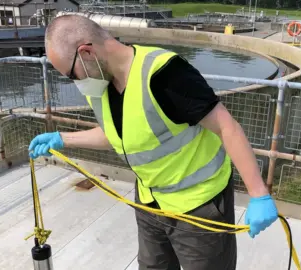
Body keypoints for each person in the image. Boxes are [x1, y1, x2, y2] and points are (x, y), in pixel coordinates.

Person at [28, 14, 278, 270]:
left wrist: (258, 194)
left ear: (86, 53)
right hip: (150, 203)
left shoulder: (164, 74)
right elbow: (118, 134)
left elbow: (226, 127)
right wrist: (62, 139)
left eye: (72, 74)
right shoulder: (100, 87)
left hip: (199, 206)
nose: (76, 82)